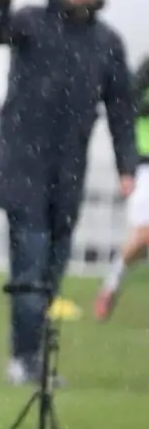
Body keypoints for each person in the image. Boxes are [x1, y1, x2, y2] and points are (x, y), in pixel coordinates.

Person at [0, 0, 136, 384]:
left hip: (68, 174)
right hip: (23, 169)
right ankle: (25, 360)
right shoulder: (30, 21)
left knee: (53, 270)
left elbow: (121, 110)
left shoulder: (107, 44)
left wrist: (127, 167)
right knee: (30, 266)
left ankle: (35, 356)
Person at [95, 54, 149, 321]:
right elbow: (127, 107)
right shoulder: (145, 71)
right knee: (143, 236)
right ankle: (111, 286)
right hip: (145, 163)